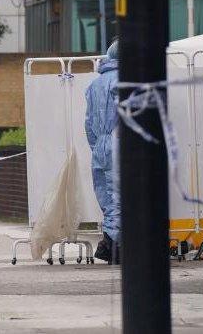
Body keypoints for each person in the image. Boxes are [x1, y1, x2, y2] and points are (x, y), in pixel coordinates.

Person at [85, 41, 121, 264]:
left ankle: (110, 244)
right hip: (120, 142)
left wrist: (98, 145)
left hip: (101, 146)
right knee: (121, 197)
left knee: (107, 198)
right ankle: (117, 247)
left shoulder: (95, 85)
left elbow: (88, 123)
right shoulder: (126, 82)